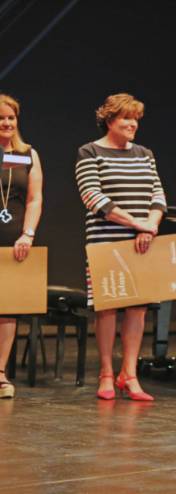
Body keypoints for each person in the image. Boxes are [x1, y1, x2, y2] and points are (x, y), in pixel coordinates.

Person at [75, 93, 166, 401]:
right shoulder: (90, 151)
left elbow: (158, 195)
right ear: (110, 120)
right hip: (106, 242)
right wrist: (137, 223)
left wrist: (150, 225)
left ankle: (129, 374)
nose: (133, 124)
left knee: (138, 308)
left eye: (136, 119)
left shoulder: (144, 154)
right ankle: (106, 373)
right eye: (127, 118)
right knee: (107, 307)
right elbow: (93, 197)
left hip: (142, 243)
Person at [0, 94, 43, 399]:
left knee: (7, 310)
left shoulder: (27, 155)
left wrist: (27, 234)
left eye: (11, 117)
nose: (6, 123)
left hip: (13, 241)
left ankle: (0, 373)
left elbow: (34, 198)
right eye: (0, 118)